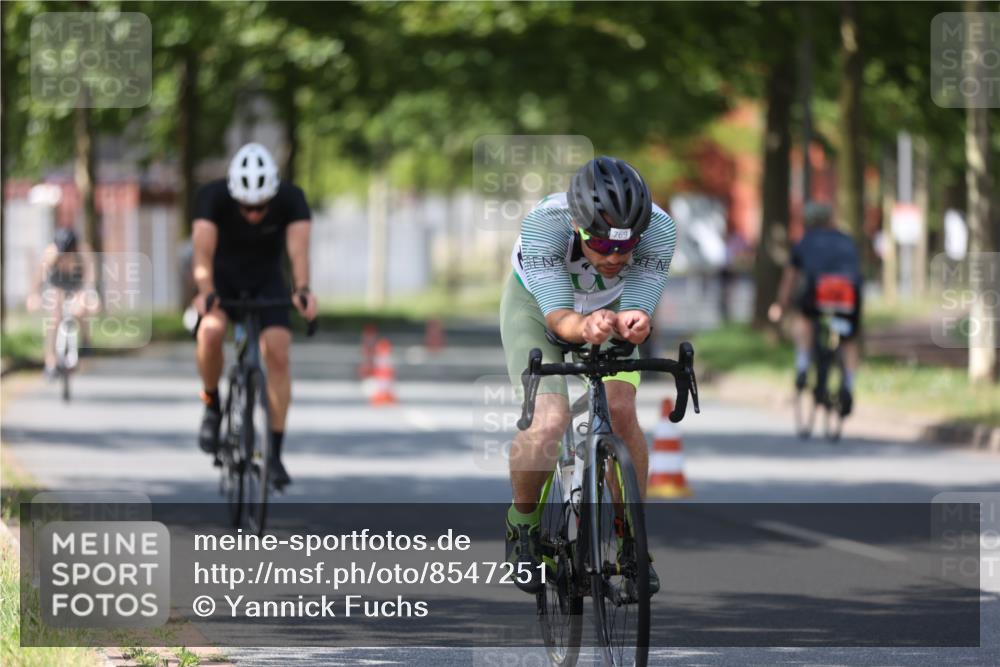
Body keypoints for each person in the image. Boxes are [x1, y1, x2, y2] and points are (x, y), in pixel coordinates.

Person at [500, 156, 677, 595]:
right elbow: (559, 318)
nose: (616, 256)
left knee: (619, 409)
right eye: (602, 246)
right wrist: (584, 328)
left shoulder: (660, 228)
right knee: (550, 420)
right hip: (538, 310)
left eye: (626, 246)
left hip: (611, 308)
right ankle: (522, 526)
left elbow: (639, 304)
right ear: (579, 228)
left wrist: (635, 321)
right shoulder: (545, 224)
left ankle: (630, 537)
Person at [191, 142, 318, 489]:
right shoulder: (212, 198)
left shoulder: (292, 199)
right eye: (246, 208)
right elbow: (202, 255)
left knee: (277, 351)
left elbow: (298, 252)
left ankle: (274, 454)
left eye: (260, 207)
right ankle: (212, 404)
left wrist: (303, 290)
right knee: (210, 333)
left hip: (267, 282)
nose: (253, 214)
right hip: (222, 282)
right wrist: (205, 291)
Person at [769, 202, 862, 415]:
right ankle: (848, 384)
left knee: (804, 319)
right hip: (848, 290)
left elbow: (789, 279)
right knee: (849, 338)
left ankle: (802, 366)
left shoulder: (804, 241)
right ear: (831, 219)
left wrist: (780, 305)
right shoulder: (846, 239)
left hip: (819, 290)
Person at [26, 227, 99, 377]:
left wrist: (89, 296)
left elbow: (90, 280)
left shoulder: (84, 253)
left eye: (69, 255)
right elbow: (38, 277)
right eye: (62, 255)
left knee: (80, 310)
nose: (65, 259)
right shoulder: (51, 253)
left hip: (77, 285)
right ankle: (50, 362)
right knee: (54, 318)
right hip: (57, 285)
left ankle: (86, 342)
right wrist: (34, 295)